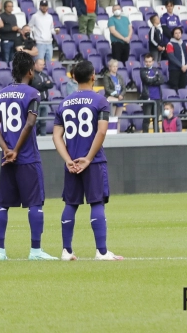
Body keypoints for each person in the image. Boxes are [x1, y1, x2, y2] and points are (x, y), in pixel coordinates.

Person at [0, 51, 55, 261]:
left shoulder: (1, 94)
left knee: (3, 204)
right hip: (27, 157)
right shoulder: (33, 93)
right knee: (35, 203)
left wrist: (6, 150)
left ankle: (0, 251)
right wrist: (16, 150)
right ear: (30, 70)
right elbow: (30, 122)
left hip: (7, 159)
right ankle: (35, 250)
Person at [52, 60, 121, 260]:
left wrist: (68, 160)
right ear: (93, 76)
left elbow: (56, 136)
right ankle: (101, 251)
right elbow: (101, 131)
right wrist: (89, 158)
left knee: (70, 204)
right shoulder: (100, 101)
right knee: (97, 202)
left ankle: (66, 250)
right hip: (93, 161)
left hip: (72, 162)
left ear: (73, 77)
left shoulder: (64, 103)